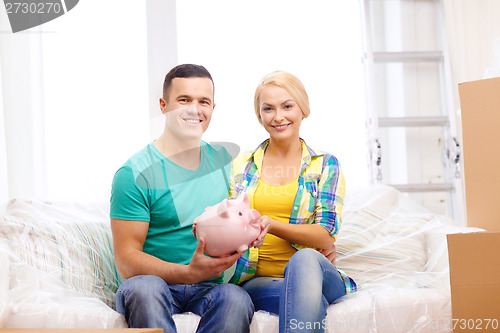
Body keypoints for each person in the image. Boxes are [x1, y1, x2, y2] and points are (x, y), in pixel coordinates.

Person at [110, 64, 255, 332]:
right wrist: (188, 273)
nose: (194, 110)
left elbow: (238, 219)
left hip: (209, 287)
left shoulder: (225, 164)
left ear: (213, 108)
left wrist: (252, 230)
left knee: (236, 298)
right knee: (145, 288)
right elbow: (126, 259)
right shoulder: (135, 173)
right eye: (184, 100)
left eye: (204, 102)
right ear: (164, 105)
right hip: (153, 283)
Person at [228, 70, 357, 333]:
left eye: (287, 106)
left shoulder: (325, 165)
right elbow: (229, 226)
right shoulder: (242, 165)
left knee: (306, 259)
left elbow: (325, 236)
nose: (278, 116)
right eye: (268, 108)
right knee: (309, 300)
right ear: (260, 115)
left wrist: (271, 225)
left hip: (318, 272)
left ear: (303, 109)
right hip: (257, 279)